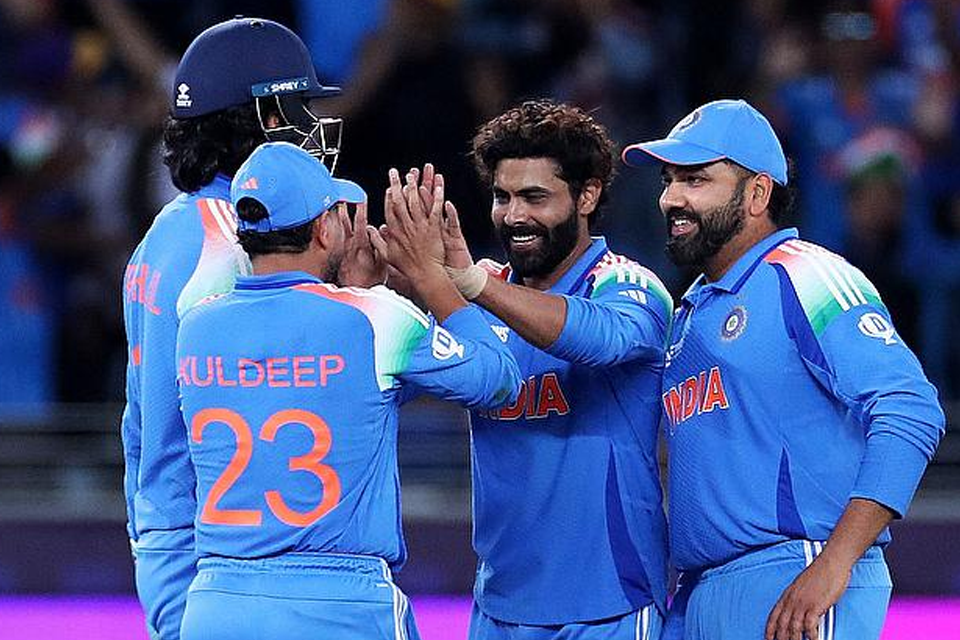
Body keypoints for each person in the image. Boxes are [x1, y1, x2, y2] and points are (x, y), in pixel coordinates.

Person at [621, 99, 945, 640]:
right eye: (668, 180)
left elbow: (910, 411)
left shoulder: (806, 274)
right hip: (702, 589)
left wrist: (833, 564)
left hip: (797, 577)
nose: (671, 199)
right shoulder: (691, 310)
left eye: (695, 180)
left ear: (757, 193)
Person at [175, 141, 520, 640]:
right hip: (340, 602)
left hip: (218, 601)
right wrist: (431, 278)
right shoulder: (374, 318)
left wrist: (355, 291)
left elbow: (347, 405)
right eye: (339, 212)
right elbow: (498, 380)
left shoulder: (197, 325)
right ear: (323, 229)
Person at [120, 17, 345, 639]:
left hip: (171, 527)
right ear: (258, 117)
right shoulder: (240, 244)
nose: (308, 126)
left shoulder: (167, 228)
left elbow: (139, 416)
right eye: (295, 106)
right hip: (224, 545)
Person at [432, 99, 672, 640]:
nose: (514, 216)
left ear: (586, 196)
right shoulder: (477, 293)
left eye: (535, 197)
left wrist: (470, 287)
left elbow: (603, 339)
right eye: (502, 197)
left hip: (607, 604)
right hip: (497, 607)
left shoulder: (627, 286)